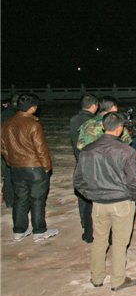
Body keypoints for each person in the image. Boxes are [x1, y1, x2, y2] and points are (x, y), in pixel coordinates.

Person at [73, 112, 136, 291]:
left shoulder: (88, 150)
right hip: (121, 202)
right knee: (120, 243)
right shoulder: (126, 151)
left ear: (103, 127)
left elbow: (78, 181)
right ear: (120, 129)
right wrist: (133, 197)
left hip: (98, 204)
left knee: (99, 241)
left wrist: (92, 195)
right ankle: (118, 280)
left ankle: (96, 278)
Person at [1, 93, 57, 243]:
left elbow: (3, 148)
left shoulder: (6, 123)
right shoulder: (33, 125)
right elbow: (41, 149)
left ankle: (19, 231)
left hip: (16, 167)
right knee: (37, 199)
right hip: (34, 167)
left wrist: (11, 162)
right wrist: (47, 167)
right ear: (32, 108)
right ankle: (39, 231)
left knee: (20, 199)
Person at [70, 93, 98, 243]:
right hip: (92, 163)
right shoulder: (92, 122)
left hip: (80, 160)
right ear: (94, 105)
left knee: (83, 195)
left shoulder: (74, 120)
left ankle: (85, 224)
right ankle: (93, 227)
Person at [1, 94, 20, 209]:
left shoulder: (3, 114)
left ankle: (9, 201)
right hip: (14, 151)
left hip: (4, 151)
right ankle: (15, 201)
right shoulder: (16, 116)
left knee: (7, 176)